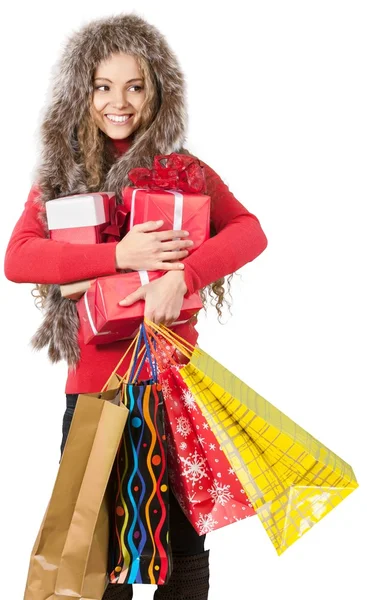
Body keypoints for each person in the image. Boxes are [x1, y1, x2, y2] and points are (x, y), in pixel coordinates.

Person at [4, 12, 268, 600]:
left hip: (170, 384)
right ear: (83, 91)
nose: (117, 102)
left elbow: (249, 232)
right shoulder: (61, 179)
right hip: (94, 389)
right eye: (102, 86)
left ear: (158, 92)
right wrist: (119, 255)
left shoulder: (188, 174)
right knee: (93, 550)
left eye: (135, 85)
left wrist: (185, 274)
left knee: (182, 546)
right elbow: (19, 258)